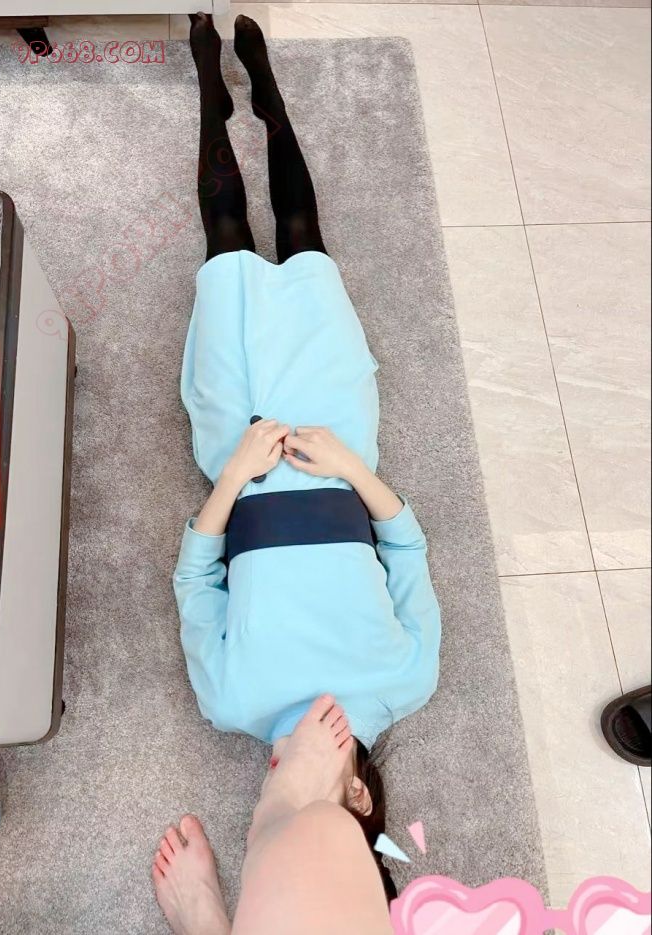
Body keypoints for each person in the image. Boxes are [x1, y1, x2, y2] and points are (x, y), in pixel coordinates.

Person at [153, 13, 441, 933]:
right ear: (359, 798)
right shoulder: (405, 679)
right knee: (304, 234)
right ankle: (268, 94)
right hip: (334, 438)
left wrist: (235, 474)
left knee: (225, 240)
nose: (278, 775)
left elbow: (194, 578)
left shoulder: (231, 703)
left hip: (239, 449)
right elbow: (407, 547)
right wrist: (350, 462)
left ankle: (208, 79)